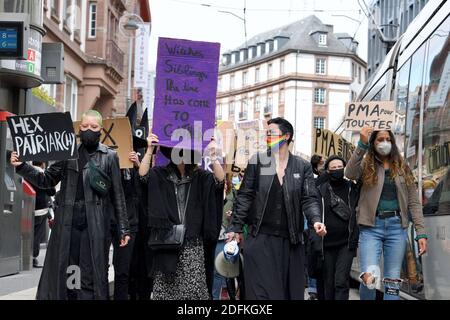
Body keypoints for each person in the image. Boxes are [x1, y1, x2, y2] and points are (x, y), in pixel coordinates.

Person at [10, 110, 130, 300]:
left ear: (101, 130)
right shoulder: (67, 153)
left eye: (93, 127)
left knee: (91, 274)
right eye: (85, 126)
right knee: (68, 272)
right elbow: (46, 179)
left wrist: (123, 228)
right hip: (68, 224)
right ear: (79, 128)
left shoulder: (110, 156)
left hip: (96, 225)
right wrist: (21, 166)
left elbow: (118, 194)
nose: (89, 130)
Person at [227, 117, 326, 300]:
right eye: (266, 134)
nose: (267, 137)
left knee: (287, 294)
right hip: (261, 238)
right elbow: (245, 196)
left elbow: (309, 198)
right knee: (260, 294)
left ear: (286, 136)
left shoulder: (302, 166)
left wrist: (316, 220)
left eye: (271, 133)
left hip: (291, 242)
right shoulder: (259, 161)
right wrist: (236, 227)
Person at [138, 134, 225, 300]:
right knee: (166, 291)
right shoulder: (160, 174)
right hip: (167, 242)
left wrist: (213, 156)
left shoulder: (201, 177)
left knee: (193, 292)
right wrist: (149, 150)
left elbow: (219, 182)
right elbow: (143, 176)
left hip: (193, 244)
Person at [345, 127, 428, 300]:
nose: (384, 143)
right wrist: (361, 144)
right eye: (380, 139)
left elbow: (413, 200)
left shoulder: (402, 166)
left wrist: (421, 232)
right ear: (373, 143)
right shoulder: (366, 164)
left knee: (392, 281)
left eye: (388, 139)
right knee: (369, 277)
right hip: (370, 228)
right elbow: (349, 173)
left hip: (397, 228)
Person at [315, 155, 360, 300]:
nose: (337, 170)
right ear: (327, 170)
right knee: (328, 282)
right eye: (333, 168)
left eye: (340, 167)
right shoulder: (320, 189)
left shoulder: (352, 188)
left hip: (345, 244)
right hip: (326, 244)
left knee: (341, 280)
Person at [110, 151, 142, 300]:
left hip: (130, 222)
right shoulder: (107, 160)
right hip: (109, 220)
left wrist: (137, 165)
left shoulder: (134, 168)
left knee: (124, 269)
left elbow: (142, 190)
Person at [212, 175, 235, 300]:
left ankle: (215, 297)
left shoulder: (231, 198)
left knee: (218, 270)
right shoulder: (211, 197)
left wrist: (232, 215)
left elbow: (237, 216)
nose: (224, 185)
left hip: (224, 237)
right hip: (211, 237)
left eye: (225, 183)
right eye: (221, 183)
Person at [29, 161, 56, 268]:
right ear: (42, 164)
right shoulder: (43, 174)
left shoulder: (28, 172)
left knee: (27, 234)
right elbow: (51, 191)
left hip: (27, 206)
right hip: (41, 209)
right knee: (36, 234)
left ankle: (25, 255)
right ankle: (33, 257)